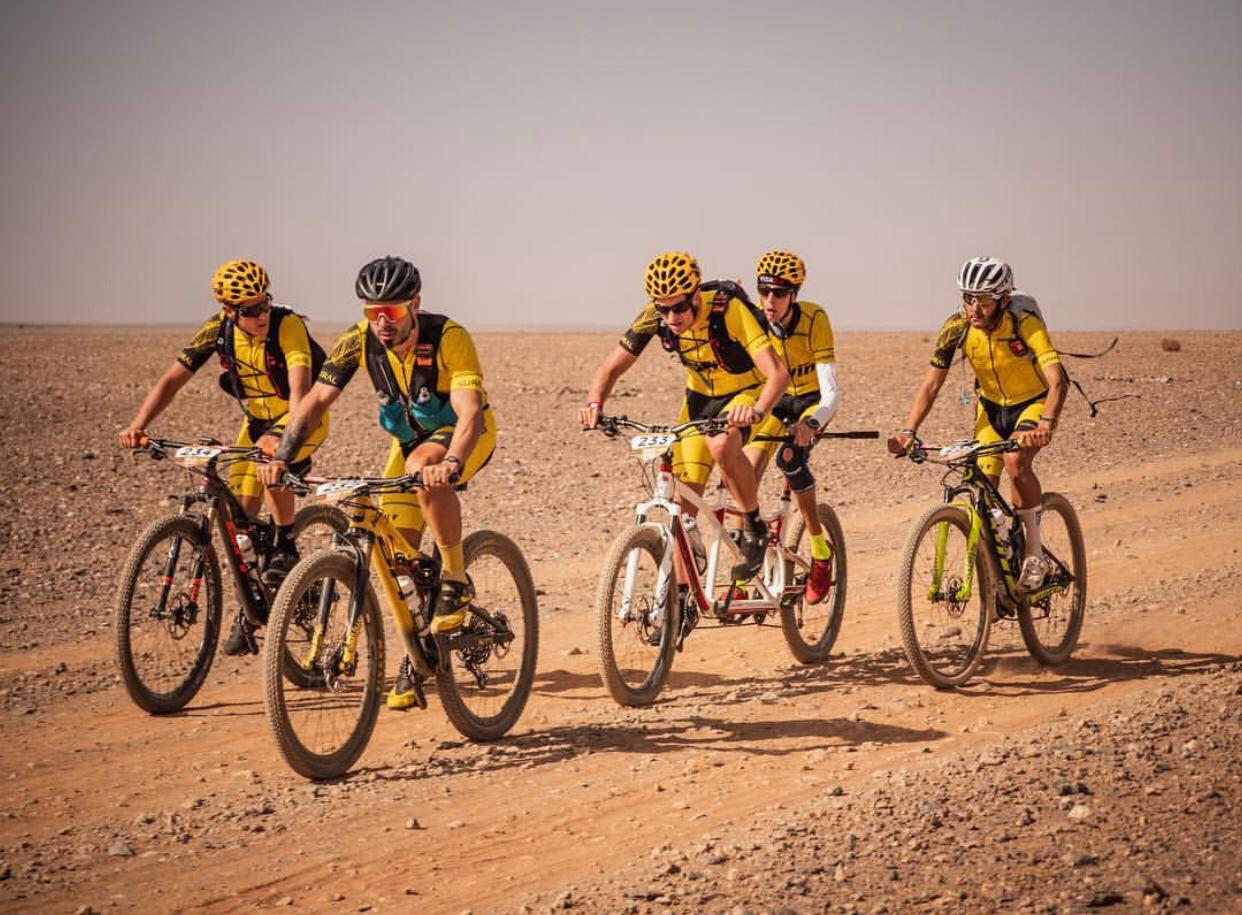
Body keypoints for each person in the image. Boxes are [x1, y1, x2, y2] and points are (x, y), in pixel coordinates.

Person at [257, 255, 495, 710]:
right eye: (372, 312)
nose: (382, 322)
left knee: (425, 470)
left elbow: (469, 412)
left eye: (392, 311)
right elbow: (313, 403)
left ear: (415, 305)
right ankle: (419, 653)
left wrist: (451, 462)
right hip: (406, 445)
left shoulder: (449, 336)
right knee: (398, 557)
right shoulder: (358, 342)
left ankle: (455, 580)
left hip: (462, 436)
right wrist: (284, 457)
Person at [119, 258, 328, 655]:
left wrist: (284, 445)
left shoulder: (287, 325)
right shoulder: (217, 330)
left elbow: (301, 388)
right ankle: (252, 610)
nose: (262, 313)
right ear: (229, 310)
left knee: (268, 459)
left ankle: (285, 542)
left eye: (265, 302)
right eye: (250, 309)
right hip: (255, 422)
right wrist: (138, 425)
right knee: (241, 524)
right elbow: (172, 379)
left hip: (301, 417)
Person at [578, 250, 790, 582]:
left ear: (694, 296)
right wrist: (594, 405)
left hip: (745, 394)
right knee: (683, 506)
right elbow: (610, 368)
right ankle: (678, 600)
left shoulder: (727, 310)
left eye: (679, 307)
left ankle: (754, 527)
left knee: (721, 447)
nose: (671, 317)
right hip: (700, 401)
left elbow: (777, 374)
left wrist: (757, 410)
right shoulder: (656, 314)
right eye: (663, 309)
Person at [892, 256, 1067, 591]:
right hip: (991, 409)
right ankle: (1000, 559)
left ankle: (1033, 553)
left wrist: (1046, 422)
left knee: (1016, 462)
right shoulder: (956, 327)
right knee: (982, 480)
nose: (974, 308)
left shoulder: (1024, 323)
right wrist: (908, 431)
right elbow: (931, 384)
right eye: (968, 298)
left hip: (1033, 404)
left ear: (1002, 300)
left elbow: (1058, 381)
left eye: (983, 300)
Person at [742, 251, 839, 603]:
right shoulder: (755, 319)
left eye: (779, 294)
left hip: (810, 402)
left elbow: (831, 390)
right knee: (745, 469)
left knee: (788, 459)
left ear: (793, 295)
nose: (770, 301)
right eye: (763, 292)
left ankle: (819, 549)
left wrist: (812, 423)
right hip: (776, 401)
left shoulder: (815, 318)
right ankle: (748, 554)